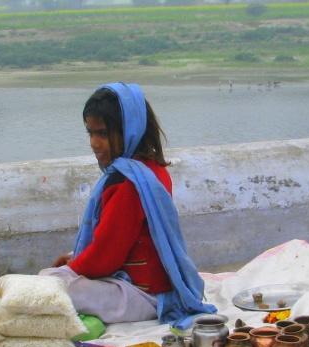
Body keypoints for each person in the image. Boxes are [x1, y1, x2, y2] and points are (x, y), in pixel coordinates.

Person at [40, 82, 215, 328]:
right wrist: (73, 259)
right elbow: (126, 241)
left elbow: (105, 258)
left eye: (102, 133)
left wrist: (72, 268)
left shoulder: (128, 183)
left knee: (47, 284)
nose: (94, 143)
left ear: (130, 129)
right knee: (61, 275)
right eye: (90, 133)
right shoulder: (152, 170)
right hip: (147, 287)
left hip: (141, 296)